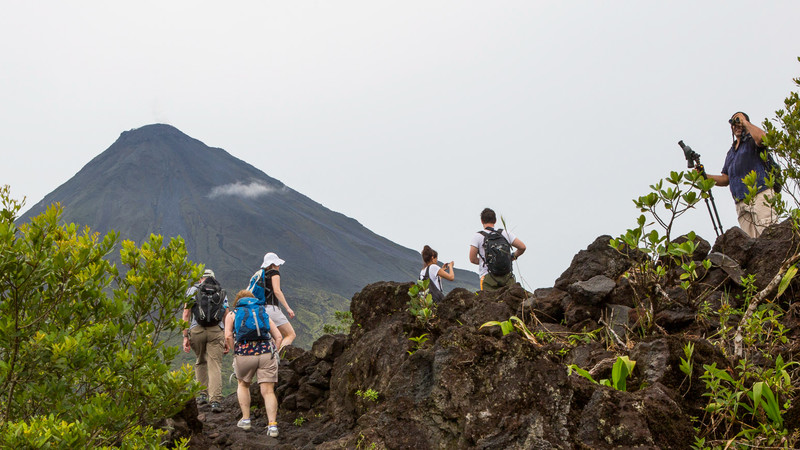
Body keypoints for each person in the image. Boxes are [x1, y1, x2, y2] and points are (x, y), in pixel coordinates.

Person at [704, 111, 779, 238]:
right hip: (741, 203)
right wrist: (704, 176)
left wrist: (744, 122)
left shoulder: (752, 142)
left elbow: (762, 138)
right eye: (734, 123)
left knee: (769, 236)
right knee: (751, 244)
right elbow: (725, 179)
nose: (737, 125)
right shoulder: (731, 152)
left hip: (759, 195)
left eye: (739, 122)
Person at [225, 290, 283, 436]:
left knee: (243, 384)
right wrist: (273, 351)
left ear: (238, 301)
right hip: (265, 352)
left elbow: (227, 336)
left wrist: (236, 350)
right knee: (268, 391)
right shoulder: (262, 312)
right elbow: (279, 337)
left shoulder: (233, 314)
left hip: (244, 354)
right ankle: (272, 426)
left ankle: (245, 420)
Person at [183, 268, 229, 413]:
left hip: (197, 330)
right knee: (214, 364)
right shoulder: (221, 291)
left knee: (200, 360)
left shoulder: (192, 291)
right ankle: (215, 401)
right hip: (216, 330)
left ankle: (202, 395)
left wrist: (185, 336)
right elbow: (226, 315)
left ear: (200, 279)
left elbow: (186, 314)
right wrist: (227, 337)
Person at [469, 208, 526, 291]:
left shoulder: (478, 236)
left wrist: (486, 262)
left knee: (489, 302)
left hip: (488, 277)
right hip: (507, 276)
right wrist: (511, 257)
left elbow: (472, 259)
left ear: (482, 221)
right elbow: (522, 247)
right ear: (495, 221)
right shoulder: (504, 233)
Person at [247, 252, 296, 350]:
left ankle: (271, 360)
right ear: (273, 264)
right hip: (272, 309)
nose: (278, 266)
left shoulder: (261, 275)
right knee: (290, 334)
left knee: (272, 338)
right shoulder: (274, 273)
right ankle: (279, 358)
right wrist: (288, 308)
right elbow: (277, 291)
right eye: (277, 264)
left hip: (261, 310)